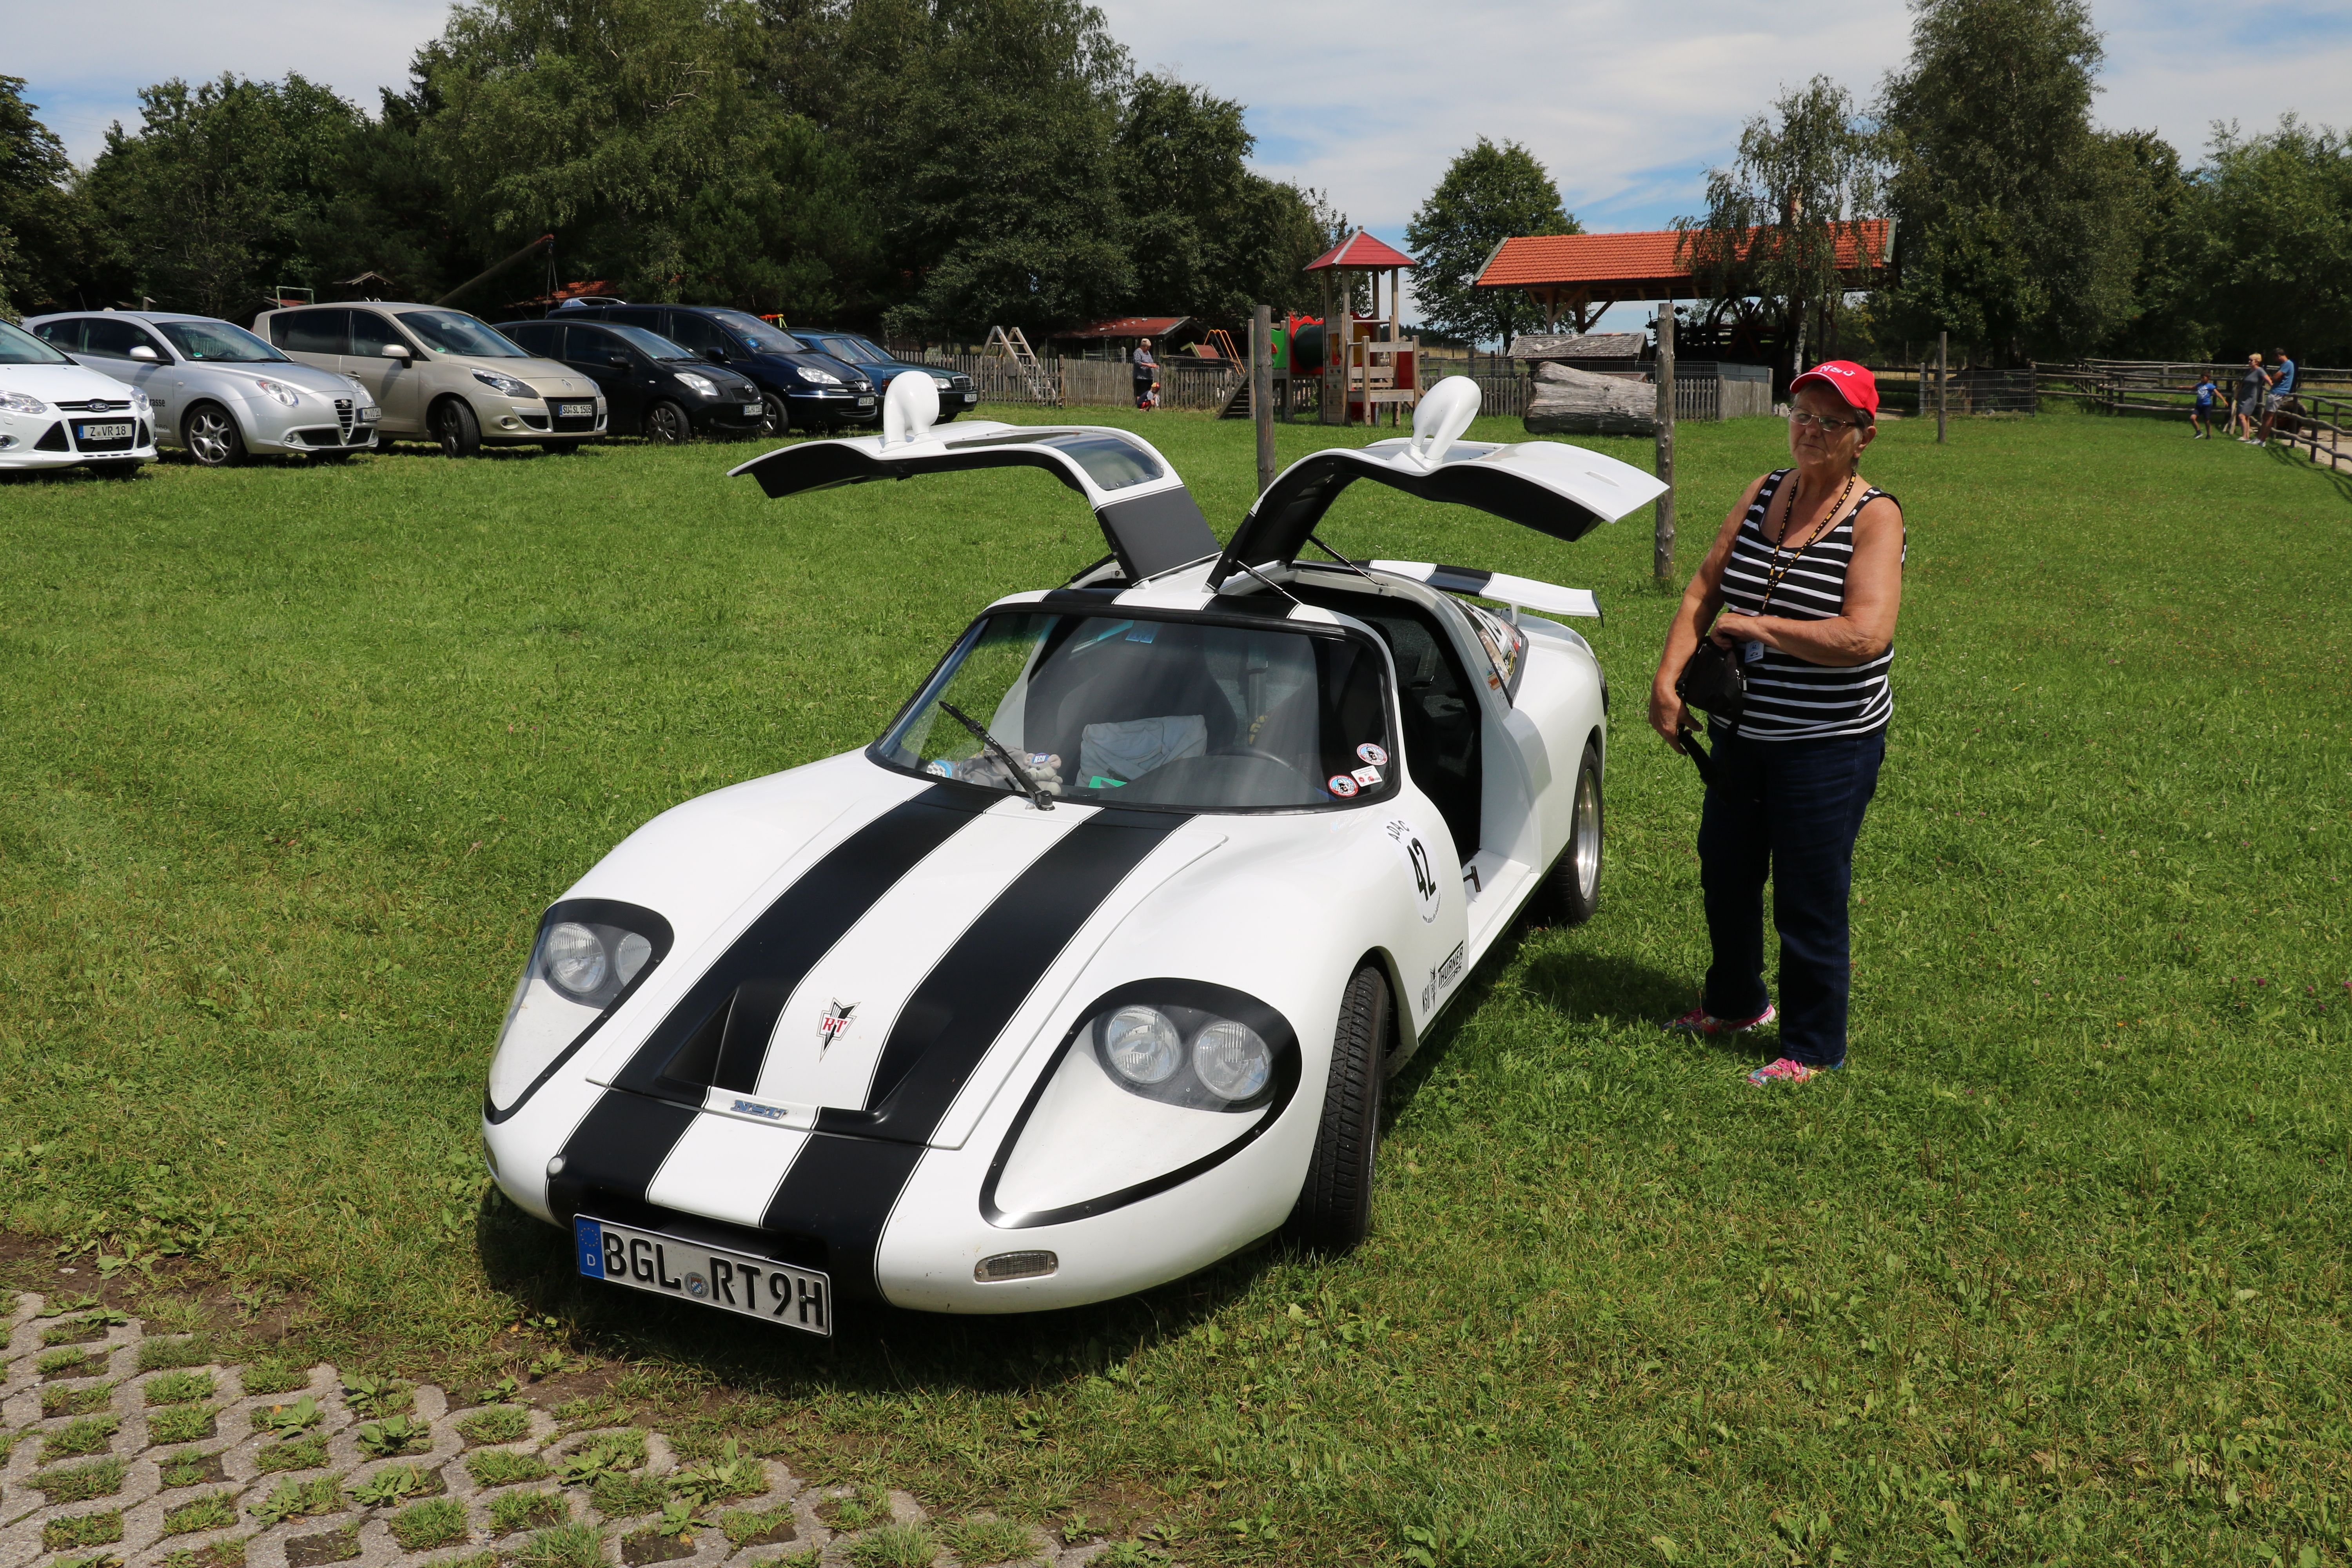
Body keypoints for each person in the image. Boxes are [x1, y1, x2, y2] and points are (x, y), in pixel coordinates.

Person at [1648, 360, 1906, 1086]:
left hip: (1828, 744)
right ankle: (1736, 1005)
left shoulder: (1876, 516)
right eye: (1802, 416)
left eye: (1832, 421)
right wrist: (1667, 681)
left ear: (1863, 436)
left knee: (1807, 892)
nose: (1811, 431)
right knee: (1726, 873)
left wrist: (1759, 627)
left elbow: (1866, 635)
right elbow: (1705, 588)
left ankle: (1813, 1047)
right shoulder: (1765, 490)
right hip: (1742, 733)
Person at [2258, 347, 2296, 446]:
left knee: (2269, 416)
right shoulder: (2287, 365)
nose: (2275, 360)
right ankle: (2260, 438)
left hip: (2278, 393)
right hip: (2276, 392)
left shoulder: (2287, 364)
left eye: (2275, 358)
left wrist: (2274, 378)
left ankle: (2262, 440)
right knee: (2266, 416)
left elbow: (2276, 377)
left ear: (2279, 356)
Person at [2235, 353, 2271, 443]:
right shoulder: (2250, 371)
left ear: (2257, 362)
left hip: (2251, 398)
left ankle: (2244, 436)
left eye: (2251, 360)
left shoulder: (2260, 371)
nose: (2249, 362)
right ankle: (2246, 436)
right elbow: (2243, 384)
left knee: (2241, 416)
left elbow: (2268, 380)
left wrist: (2273, 388)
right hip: (2243, 396)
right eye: (2249, 360)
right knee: (2246, 417)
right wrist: (2238, 394)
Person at [1132, 338, 1159, 411]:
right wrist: (1148, 365)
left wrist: (1154, 365)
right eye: (1147, 347)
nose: (1148, 349)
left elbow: (1151, 361)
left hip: (1149, 376)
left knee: (1149, 393)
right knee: (1141, 393)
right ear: (1143, 346)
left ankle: (1147, 409)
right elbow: (1138, 362)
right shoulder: (1138, 352)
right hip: (1141, 377)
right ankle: (1140, 408)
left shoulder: (1148, 353)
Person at [2190, 371, 2219, 439]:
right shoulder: (2199, 385)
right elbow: (2192, 387)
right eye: (2201, 378)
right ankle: (2199, 432)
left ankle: (2209, 435)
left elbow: (2217, 393)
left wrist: (2224, 400)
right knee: (2192, 418)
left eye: (2204, 378)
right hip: (2199, 406)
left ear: (2208, 378)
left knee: (2207, 421)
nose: (2202, 379)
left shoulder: (2210, 386)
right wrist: (2182, 387)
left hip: (2207, 406)